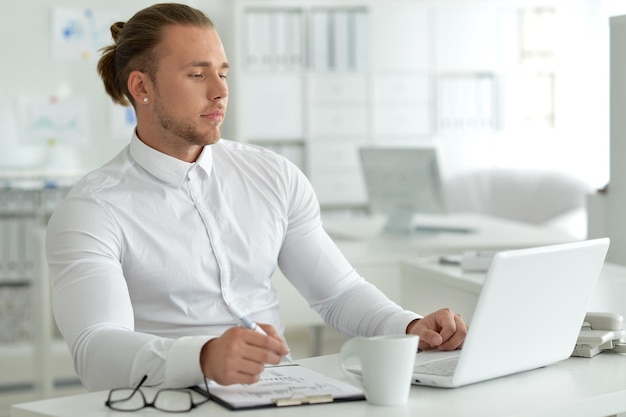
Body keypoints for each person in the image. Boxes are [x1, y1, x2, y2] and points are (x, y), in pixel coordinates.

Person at [46, 3, 467, 391]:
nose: (220, 91)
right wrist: (203, 356)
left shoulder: (273, 175)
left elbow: (338, 293)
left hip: (282, 393)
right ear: (142, 86)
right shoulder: (92, 210)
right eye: (197, 74)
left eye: (223, 73)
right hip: (171, 401)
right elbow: (95, 349)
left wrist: (410, 327)